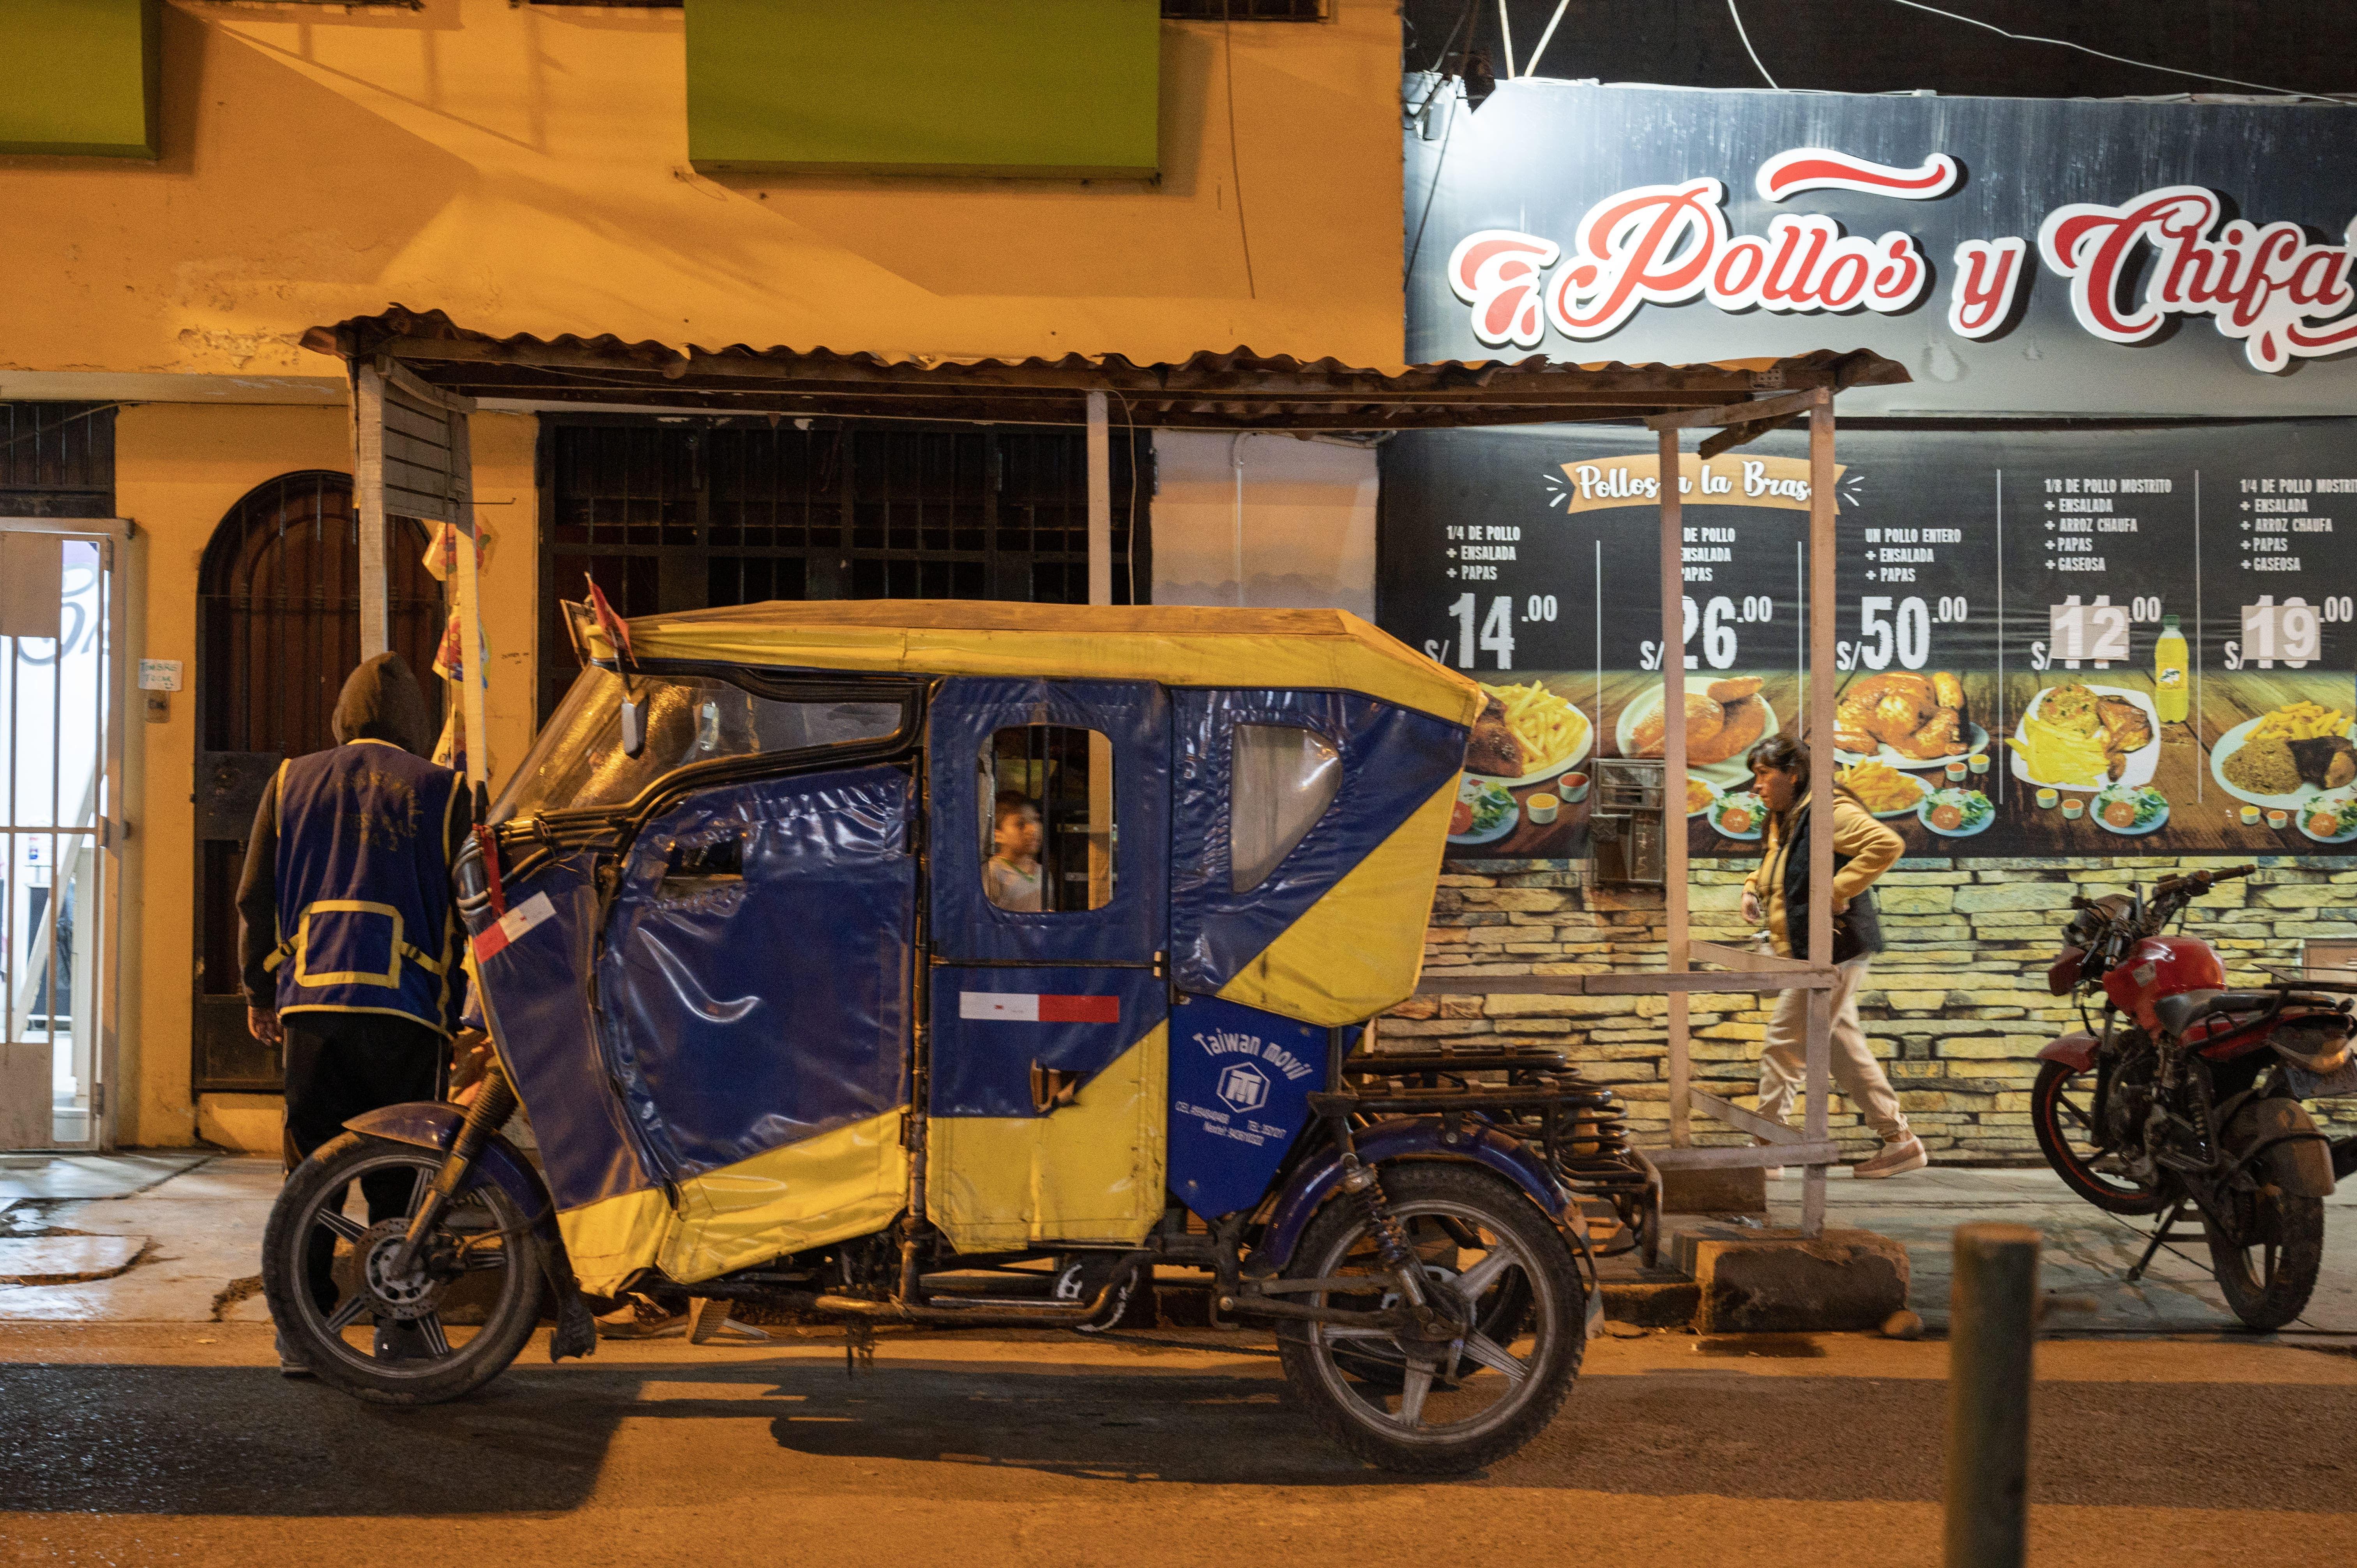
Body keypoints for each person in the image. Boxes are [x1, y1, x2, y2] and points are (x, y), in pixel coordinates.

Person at [238, 653, 474, 1372]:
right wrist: (463, 1006)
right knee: (400, 1175)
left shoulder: (290, 781)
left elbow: (255, 896)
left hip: (313, 1004)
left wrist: (259, 990)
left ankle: (300, 1337)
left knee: (310, 1175)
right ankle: (397, 1329)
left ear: (343, 716)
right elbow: (469, 908)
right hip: (408, 1010)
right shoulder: (448, 791)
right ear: (416, 723)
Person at [1739, 735, 1927, 1179]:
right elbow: (1777, 859)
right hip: (1818, 948)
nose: (1757, 786)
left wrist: (1836, 891)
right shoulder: (1787, 814)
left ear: (1794, 774)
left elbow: (1886, 844)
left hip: (1835, 949)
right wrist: (1752, 887)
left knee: (1784, 1045)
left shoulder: (1831, 811)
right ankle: (1899, 1141)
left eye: (1764, 775)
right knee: (1842, 1046)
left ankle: (1769, 1145)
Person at [985, 791, 1044, 911]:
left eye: (1035, 820)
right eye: (1020, 824)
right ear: (998, 835)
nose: (1033, 830)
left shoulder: (1043, 873)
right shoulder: (992, 872)